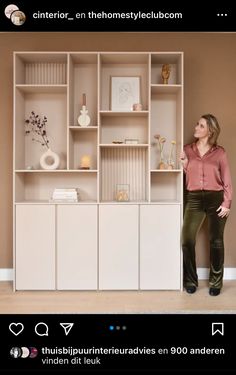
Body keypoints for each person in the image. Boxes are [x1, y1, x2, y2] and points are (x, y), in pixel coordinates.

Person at [180, 114, 233, 296]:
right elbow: (188, 174)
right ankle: (190, 280)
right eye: (197, 124)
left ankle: (215, 282)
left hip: (216, 199)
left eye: (200, 125)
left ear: (209, 131)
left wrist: (227, 203)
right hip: (194, 199)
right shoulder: (187, 150)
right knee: (187, 240)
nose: (196, 127)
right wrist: (185, 165)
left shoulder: (220, 153)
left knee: (216, 242)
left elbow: (227, 180)